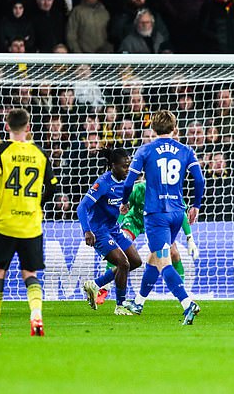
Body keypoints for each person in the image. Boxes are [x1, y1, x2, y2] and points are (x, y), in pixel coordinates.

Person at [0, 108, 58, 337]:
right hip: (31, 224)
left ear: (6, 127)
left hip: (5, 223)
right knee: (30, 273)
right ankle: (36, 315)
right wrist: (38, 204)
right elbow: (52, 187)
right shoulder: (40, 154)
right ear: (28, 128)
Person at [121, 110, 205, 325]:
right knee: (154, 257)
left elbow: (129, 182)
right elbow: (199, 180)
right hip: (177, 212)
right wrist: (195, 205)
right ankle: (138, 302)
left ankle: (187, 303)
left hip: (156, 214)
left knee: (163, 260)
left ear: (152, 129)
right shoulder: (186, 150)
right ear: (174, 128)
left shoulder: (145, 150)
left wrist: (124, 201)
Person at [96, 179, 199, 309]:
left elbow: (182, 214)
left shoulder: (171, 192)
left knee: (173, 254)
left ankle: (182, 293)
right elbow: (123, 208)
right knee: (119, 247)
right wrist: (113, 230)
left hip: (158, 225)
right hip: (135, 221)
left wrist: (189, 237)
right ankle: (104, 288)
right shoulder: (139, 189)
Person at [78, 148, 142, 315]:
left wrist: (125, 203)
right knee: (123, 263)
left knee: (135, 262)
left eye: (129, 165)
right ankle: (120, 306)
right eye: (123, 166)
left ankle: (95, 284)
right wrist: (87, 231)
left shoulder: (127, 181)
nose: (127, 169)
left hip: (113, 228)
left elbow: (125, 195)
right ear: (113, 166)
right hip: (98, 231)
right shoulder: (104, 183)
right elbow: (82, 207)